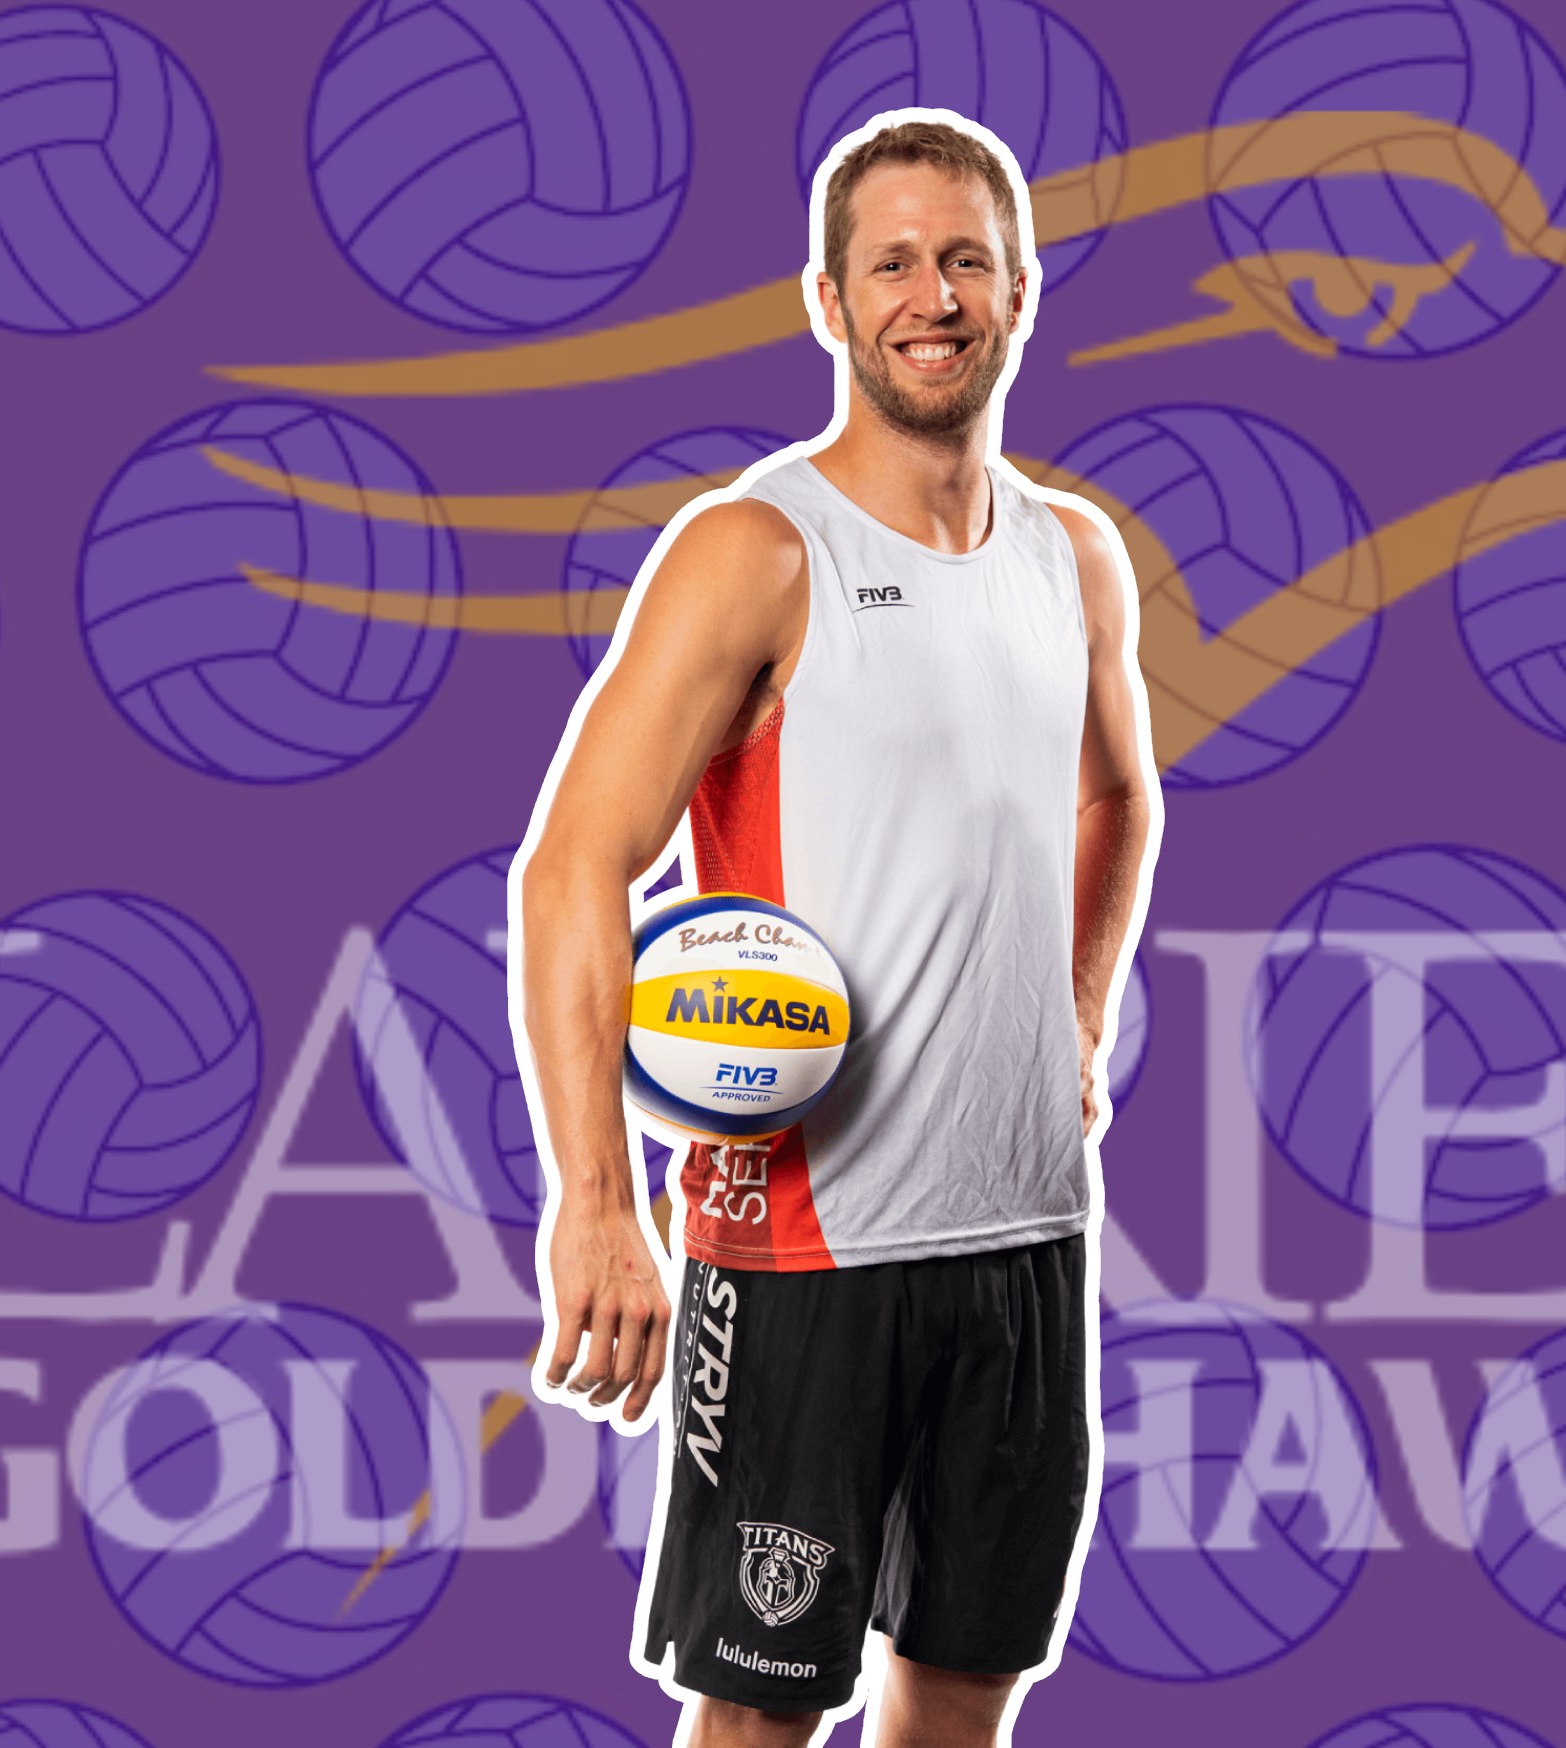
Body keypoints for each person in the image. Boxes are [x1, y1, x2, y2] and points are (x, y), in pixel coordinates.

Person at [514, 111, 1157, 1748]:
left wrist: (1076, 1021)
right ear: (826, 301)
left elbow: (1115, 803)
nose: (929, 296)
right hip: (802, 1248)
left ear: (1023, 291)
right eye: (892, 264)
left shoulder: (1072, 556)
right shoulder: (754, 551)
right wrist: (597, 1206)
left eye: (964, 261)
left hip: (1025, 1235)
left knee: (961, 1701)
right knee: (759, 1716)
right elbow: (574, 864)